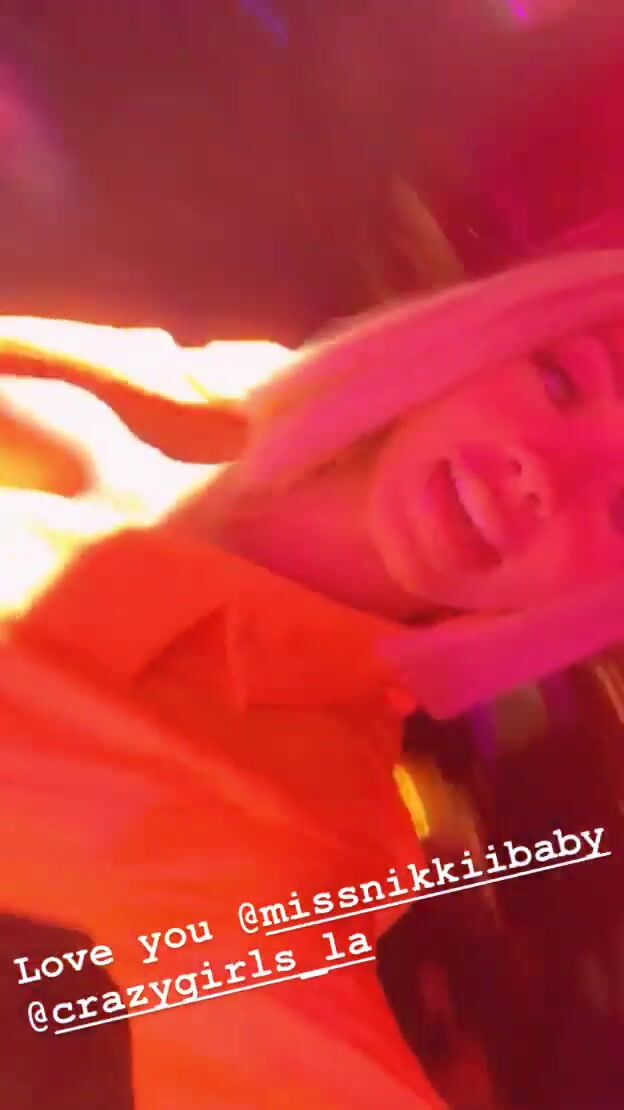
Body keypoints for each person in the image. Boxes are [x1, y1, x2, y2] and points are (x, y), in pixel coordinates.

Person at [3, 247, 624, 1106]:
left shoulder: (289, 825)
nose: (543, 474)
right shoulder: (167, 383)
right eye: (562, 383)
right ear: (492, 338)